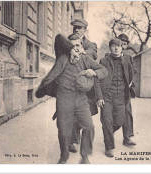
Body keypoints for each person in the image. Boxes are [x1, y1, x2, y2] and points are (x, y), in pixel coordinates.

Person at [35, 34, 107, 164]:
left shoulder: (86, 59)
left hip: (81, 98)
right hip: (64, 97)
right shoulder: (62, 57)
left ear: (82, 46)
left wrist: (94, 72)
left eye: (78, 45)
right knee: (63, 129)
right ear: (68, 47)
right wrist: (70, 49)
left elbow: (103, 70)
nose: (76, 48)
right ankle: (64, 156)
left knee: (89, 126)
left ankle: (85, 157)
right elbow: (58, 38)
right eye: (72, 45)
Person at [95, 39, 135, 157]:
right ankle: (109, 147)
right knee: (107, 121)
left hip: (121, 97)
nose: (116, 48)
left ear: (122, 47)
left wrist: (129, 85)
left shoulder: (127, 61)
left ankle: (108, 133)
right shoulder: (103, 61)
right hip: (107, 96)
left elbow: (131, 75)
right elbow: (97, 79)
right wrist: (99, 97)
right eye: (113, 46)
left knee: (119, 120)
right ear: (110, 48)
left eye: (118, 46)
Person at [68, 18, 99, 153]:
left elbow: (92, 54)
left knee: (85, 116)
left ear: (85, 30)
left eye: (80, 28)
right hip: (72, 85)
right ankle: (74, 141)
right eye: (75, 27)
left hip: (86, 87)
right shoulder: (68, 42)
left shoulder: (91, 45)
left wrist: (80, 51)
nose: (76, 29)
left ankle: (78, 139)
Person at [117, 34, 136, 146]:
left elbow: (134, 72)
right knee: (113, 115)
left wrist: (131, 82)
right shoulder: (108, 56)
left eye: (124, 44)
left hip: (125, 91)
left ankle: (127, 137)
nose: (122, 47)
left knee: (127, 113)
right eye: (120, 44)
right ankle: (109, 135)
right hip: (113, 91)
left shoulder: (128, 58)